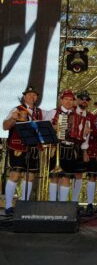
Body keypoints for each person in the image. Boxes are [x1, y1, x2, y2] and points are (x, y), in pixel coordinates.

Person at [3, 86, 45, 215]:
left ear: (37, 97)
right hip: (18, 147)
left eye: (34, 95)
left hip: (33, 148)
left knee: (30, 176)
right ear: (24, 97)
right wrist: (14, 118)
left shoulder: (39, 112)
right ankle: (9, 206)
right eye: (29, 94)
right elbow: (5, 126)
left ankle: (24, 205)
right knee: (15, 175)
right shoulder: (17, 109)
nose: (32, 97)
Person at [46, 89, 90, 202]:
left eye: (71, 100)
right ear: (61, 100)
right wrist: (54, 128)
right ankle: (52, 203)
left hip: (71, 148)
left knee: (67, 177)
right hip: (56, 148)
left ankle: (62, 205)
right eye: (66, 99)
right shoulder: (53, 113)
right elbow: (44, 129)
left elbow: (82, 136)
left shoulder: (78, 116)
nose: (68, 102)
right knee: (54, 177)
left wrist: (84, 131)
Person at [71, 90, 93, 202]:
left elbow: (87, 136)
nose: (84, 101)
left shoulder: (89, 116)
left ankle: (74, 202)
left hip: (80, 147)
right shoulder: (71, 112)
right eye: (82, 99)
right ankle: (61, 203)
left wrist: (84, 151)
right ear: (77, 100)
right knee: (63, 175)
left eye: (87, 100)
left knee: (78, 174)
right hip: (68, 145)